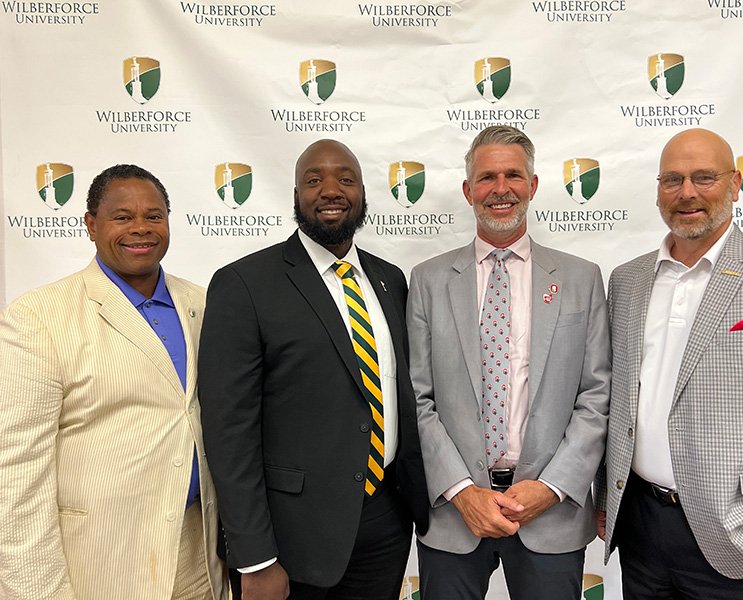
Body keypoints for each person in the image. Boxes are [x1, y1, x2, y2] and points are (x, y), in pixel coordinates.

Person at [197, 139, 429, 600]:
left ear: (362, 193)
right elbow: (228, 431)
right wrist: (255, 556)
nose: (331, 190)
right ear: (295, 194)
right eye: (314, 179)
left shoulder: (390, 280)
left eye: (346, 179)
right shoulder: (244, 284)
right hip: (291, 537)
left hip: (385, 522)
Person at [0, 164, 228, 599]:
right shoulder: (37, 317)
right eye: (122, 217)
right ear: (91, 225)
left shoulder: (205, 304)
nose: (140, 228)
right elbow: (15, 478)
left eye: (154, 216)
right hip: (100, 562)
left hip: (200, 555)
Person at [407, 125, 611, 599]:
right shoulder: (429, 281)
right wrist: (462, 491)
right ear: (467, 190)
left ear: (534, 186)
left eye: (513, 175)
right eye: (487, 177)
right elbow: (417, 397)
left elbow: (596, 395)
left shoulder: (581, 279)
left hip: (551, 512)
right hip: (455, 515)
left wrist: (552, 487)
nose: (501, 189)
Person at [595, 128, 743, 599]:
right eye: (672, 179)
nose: (687, 192)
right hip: (642, 530)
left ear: (735, 183)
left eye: (704, 177)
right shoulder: (626, 281)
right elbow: (619, 402)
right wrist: (608, 497)